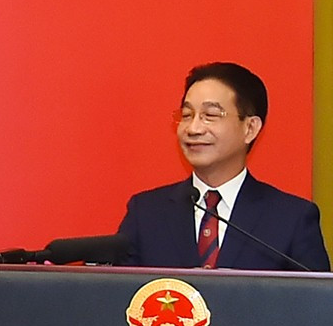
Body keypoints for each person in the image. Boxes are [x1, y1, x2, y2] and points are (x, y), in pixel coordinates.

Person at [116, 62, 330, 271]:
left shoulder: (291, 218)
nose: (194, 128)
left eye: (210, 116)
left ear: (250, 128)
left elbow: (314, 303)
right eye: (187, 115)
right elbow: (118, 297)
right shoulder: (146, 213)